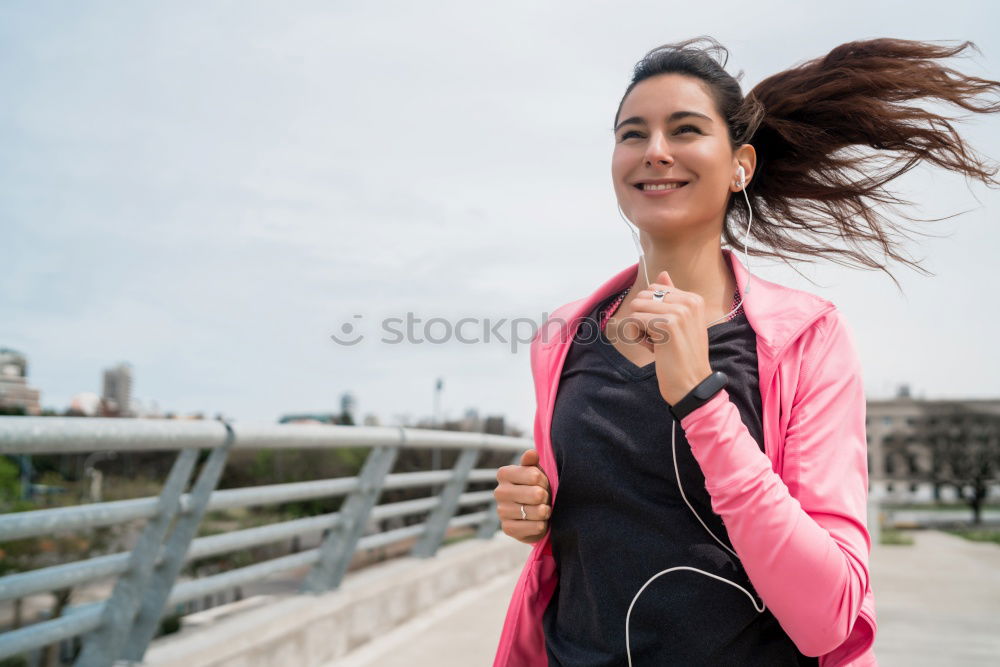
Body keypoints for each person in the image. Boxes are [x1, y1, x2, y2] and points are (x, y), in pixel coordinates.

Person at [491, 36, 1000, 666]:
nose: (655, 151)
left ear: (740, 165)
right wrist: (534, 514)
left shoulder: (807, 337)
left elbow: (830, 615)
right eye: (632, 133)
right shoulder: (566, 334)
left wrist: (701, 401)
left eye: (685, 130)